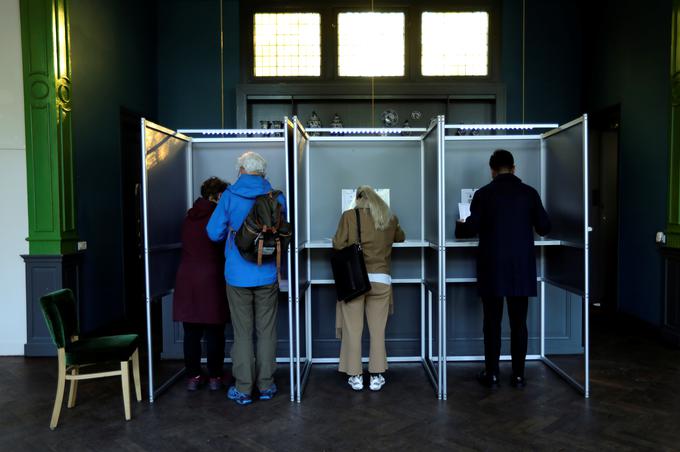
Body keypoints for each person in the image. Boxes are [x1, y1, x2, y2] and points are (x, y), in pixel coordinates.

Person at [455, 149, 551, 388]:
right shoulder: (529, 193)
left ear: (492, 170)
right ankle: (518, 376)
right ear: (514, 168)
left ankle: (492, 373)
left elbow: (471, 228)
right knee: (519, 323)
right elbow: (544, 227)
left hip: (492, 267)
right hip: (521, 268)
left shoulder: (483, 194)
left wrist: (461, 225)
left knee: (492, 323)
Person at [206, 151, 285, 405]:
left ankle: (243, 388)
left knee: (242, 333)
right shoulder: (276, 196)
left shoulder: (229, 196)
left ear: (241, 170)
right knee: (266, 331)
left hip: (238, 275)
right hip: (267, 272)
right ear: (262, 172)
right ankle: (266, 385)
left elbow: (213, 233)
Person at [332, 186, 406, 391]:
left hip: (355, 280)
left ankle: (355, 376)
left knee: (353, 330)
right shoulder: (390, 218)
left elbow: (337, 244)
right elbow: (400, 237)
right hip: (381, 279)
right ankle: (376, 375)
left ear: (357, 199)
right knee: (377, 331)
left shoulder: (349, 216)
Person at [173, 177, 230, 391]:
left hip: (187, 278)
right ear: (216, 196)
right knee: (215, 331)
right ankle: (215, 376)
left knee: (191, 333)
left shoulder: (188, 217)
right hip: (211, 277)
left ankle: (193, 377)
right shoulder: (218, 217)